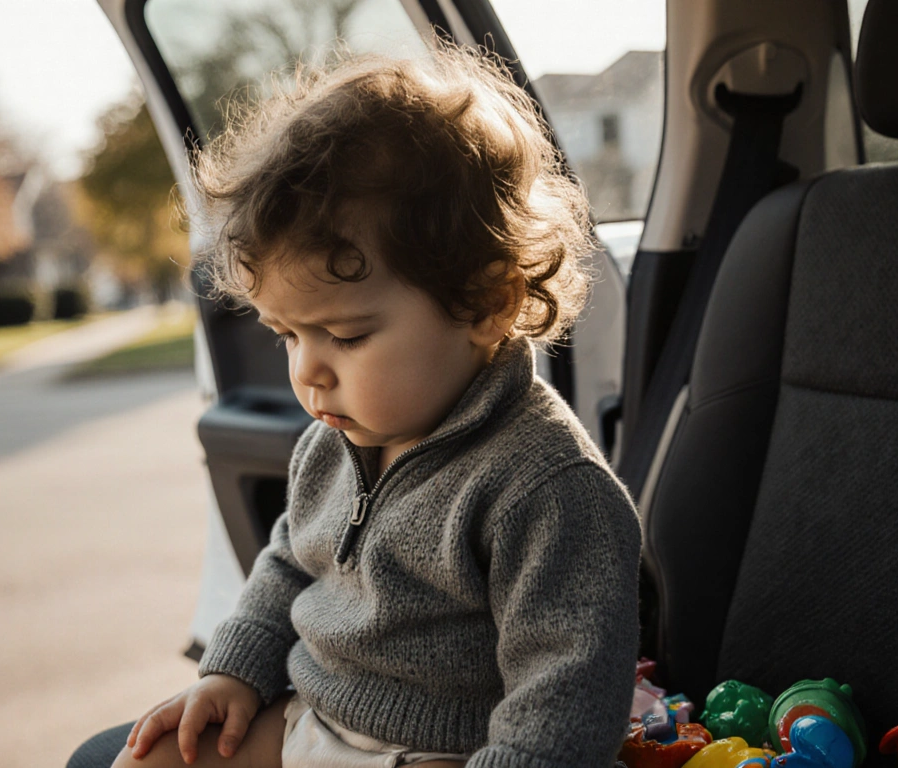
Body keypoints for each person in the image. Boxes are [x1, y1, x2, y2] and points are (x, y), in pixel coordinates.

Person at [113, 42, 642, 768]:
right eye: (287, 336)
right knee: (154, 758)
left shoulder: (546, 489)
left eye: (344, 335)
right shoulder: (333, 444)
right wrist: (235, 670)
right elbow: (289, 562)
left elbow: (566, 696)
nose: (309, 373)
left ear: (487, 303)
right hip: (311, 713)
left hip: (443, 752)